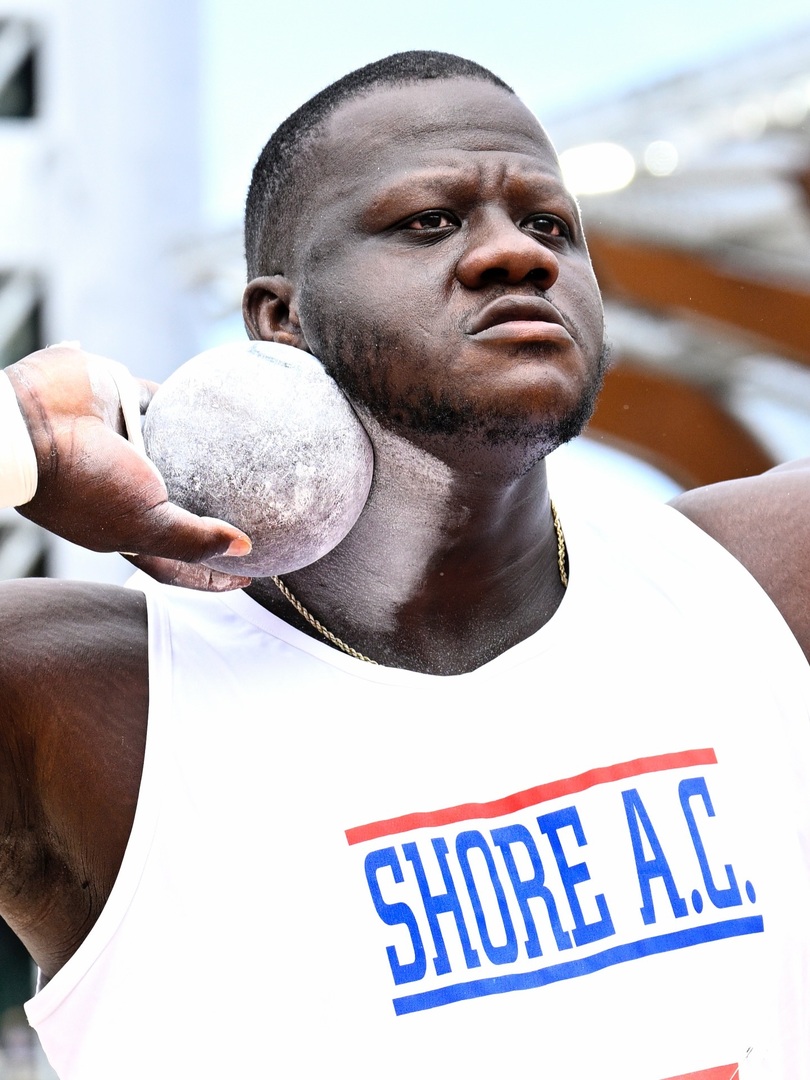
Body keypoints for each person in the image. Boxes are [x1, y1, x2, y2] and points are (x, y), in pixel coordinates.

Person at [0, 50, 809, 1080]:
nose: (517, 256)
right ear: (280, 321)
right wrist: (18, 441)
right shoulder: (93, 704)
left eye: (551, 224)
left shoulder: (764, 587)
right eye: (430, 221)